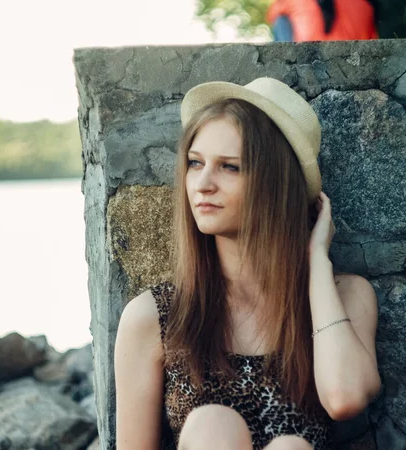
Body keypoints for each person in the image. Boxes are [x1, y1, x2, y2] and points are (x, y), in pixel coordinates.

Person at [114, 77, 381, 450]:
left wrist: (316, 261)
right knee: (212, 426)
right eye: (195, 163)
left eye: (230, 167)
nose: (202, 184)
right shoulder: (155, 317)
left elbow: (344, 399)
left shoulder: (346, 297)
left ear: (275, 184)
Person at [268, 0, 379, 42]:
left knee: (280, 19)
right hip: (352, 62)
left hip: (309, 60)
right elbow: (373, 39)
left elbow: (273, 15)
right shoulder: (365, 5)